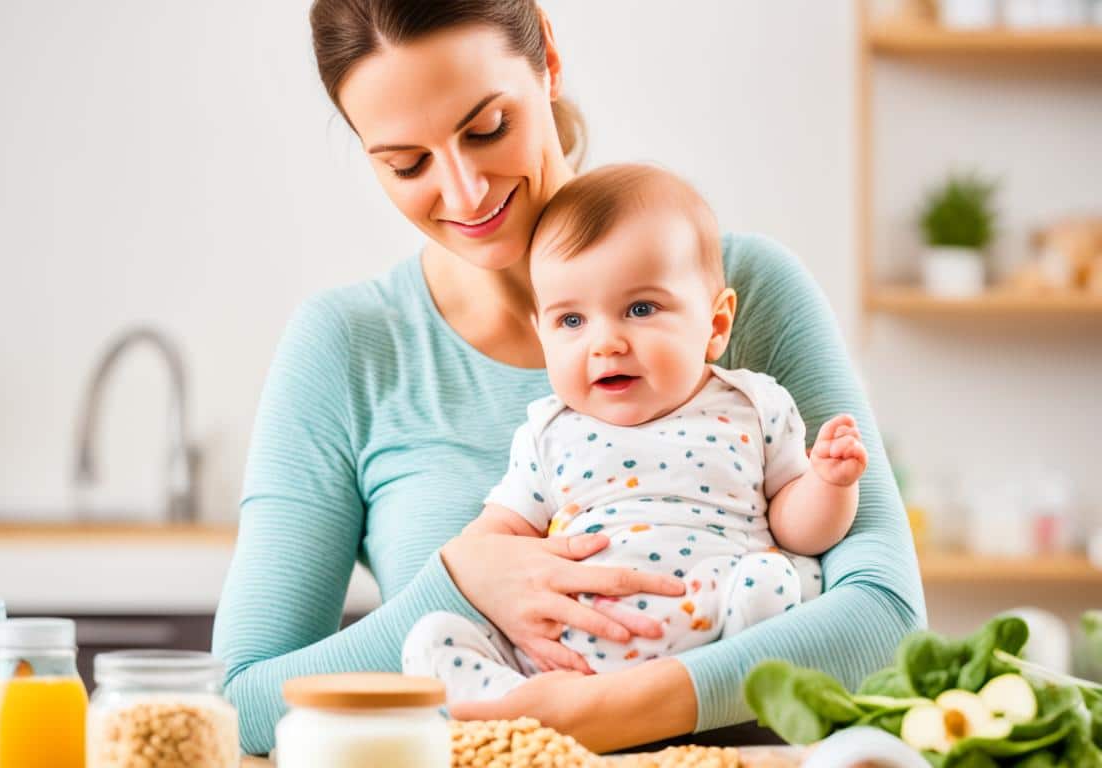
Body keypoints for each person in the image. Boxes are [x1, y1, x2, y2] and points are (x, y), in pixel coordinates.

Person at [214, 0, 924, 755]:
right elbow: (237, 702)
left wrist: (596, 713)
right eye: (407, 164)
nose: (464, 193)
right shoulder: (348, 349)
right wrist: (459, 581)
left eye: (487, 128)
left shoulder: (739, 290)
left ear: (547, 57)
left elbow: (885, 623)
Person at [401, 163, 868, 704]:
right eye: (571, 321)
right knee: (432, 640)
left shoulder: (750, 406)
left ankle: (716, 687)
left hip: (714, 640)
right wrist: (479, 567)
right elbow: (493, 543)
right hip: (561, 660)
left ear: (716, 325)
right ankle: (521, 704)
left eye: (640, 309)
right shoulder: (548, 432)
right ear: (542, 333)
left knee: (782, 579)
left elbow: (799, 530)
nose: (605, 343)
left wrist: (830, 485)